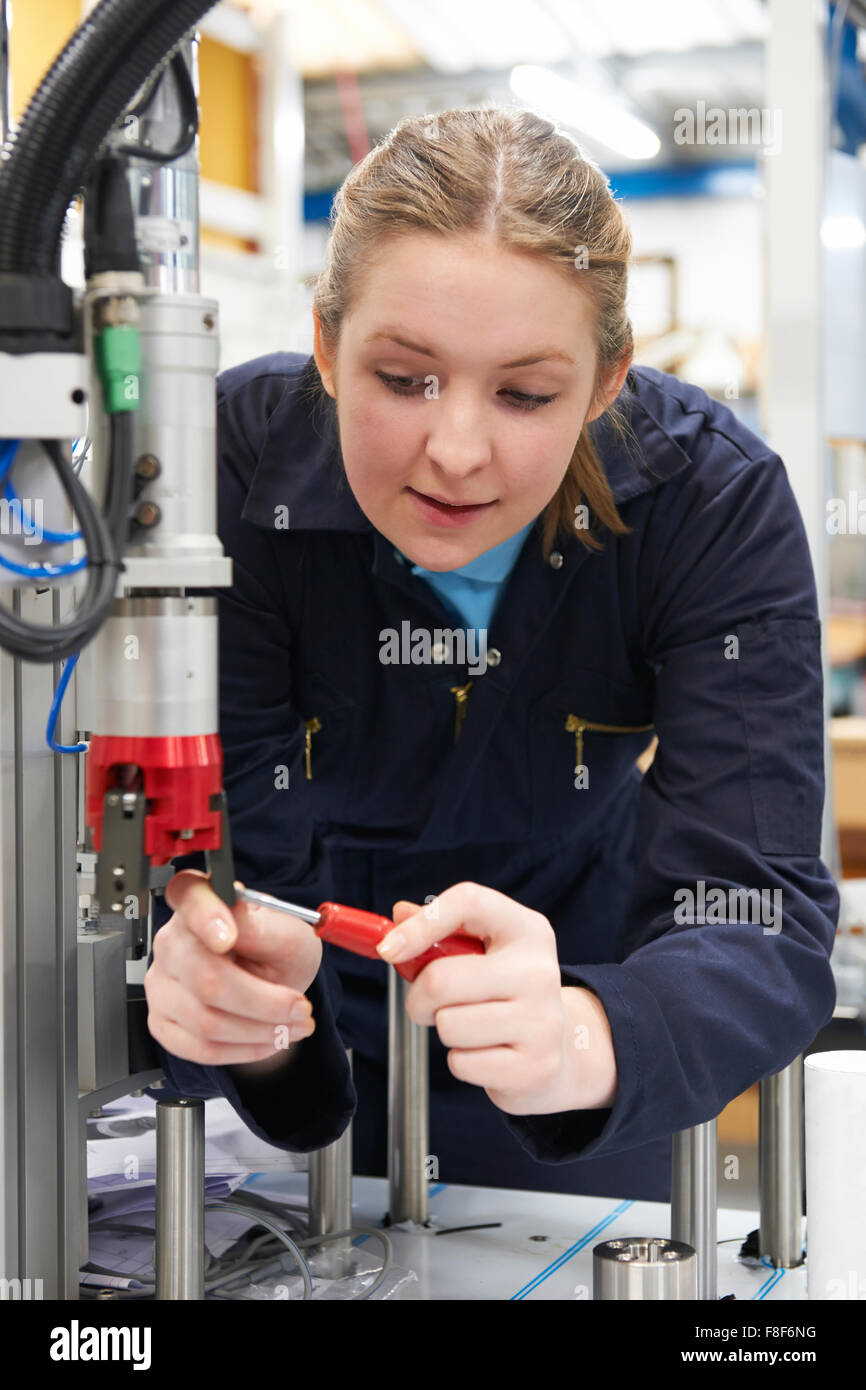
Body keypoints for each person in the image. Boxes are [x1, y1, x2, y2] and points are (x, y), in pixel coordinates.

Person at [143, 106, 839, 1202]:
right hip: (290, 1097)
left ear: (606, 382)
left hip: (581, 1037)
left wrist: (582, 1032)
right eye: (402, 377)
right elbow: (231, 880)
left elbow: (752, 901)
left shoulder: (710, 499)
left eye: (525, 394)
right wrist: (247, 1017)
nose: (455, 452)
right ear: (326, 345)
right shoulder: (232, 471)